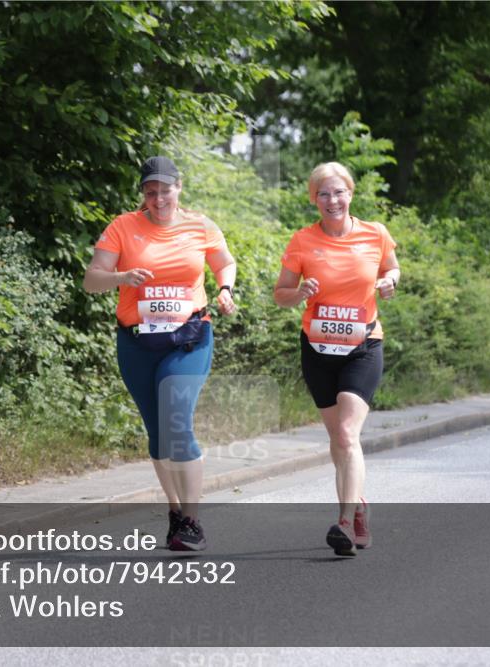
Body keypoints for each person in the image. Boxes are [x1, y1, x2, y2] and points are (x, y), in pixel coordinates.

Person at [83, 156, 237, 551]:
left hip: (189, 337)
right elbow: (91, 280)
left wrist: (225, 290)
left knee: (177, 422)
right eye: (150, 192)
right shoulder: (123, 227)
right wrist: (121, 277)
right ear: (143, 195)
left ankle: (193, 520)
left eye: (164, 190)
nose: (158, 198)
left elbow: (225, 263)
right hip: (136, 342)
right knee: (157, 434)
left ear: (178, 188)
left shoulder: (200, 225)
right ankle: (174, 512)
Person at [273, 162, 400, 557]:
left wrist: (390, 280)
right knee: (338, 440)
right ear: (314, 199)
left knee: (347, 435)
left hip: (363, 346)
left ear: (351, 194)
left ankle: (345, 521)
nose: (332, 200)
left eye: (339, 192)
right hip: (317, 349)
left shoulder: (374, 233)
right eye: (324, 194)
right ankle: (359, 504)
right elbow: (281, 293)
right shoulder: (302, 241)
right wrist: (300, 292)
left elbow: (391, 267)